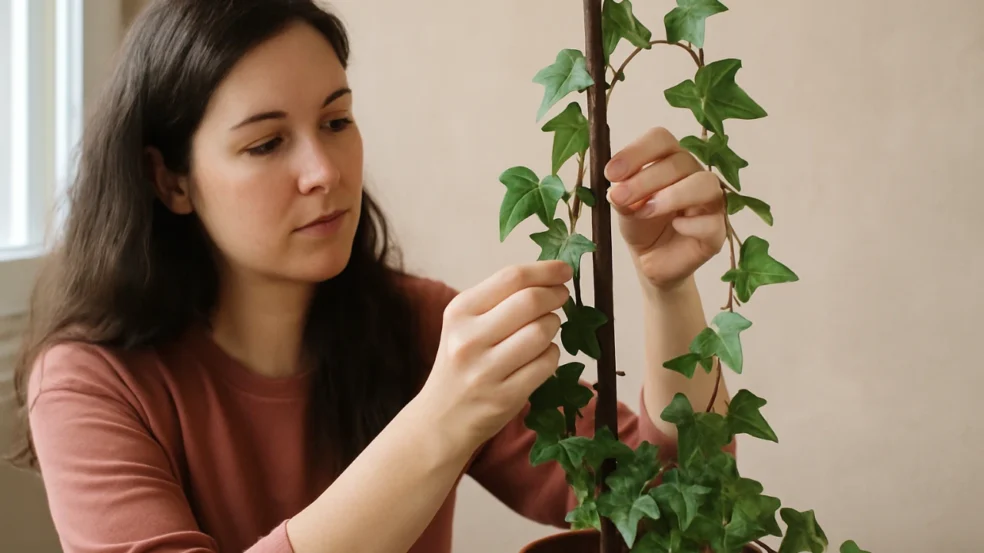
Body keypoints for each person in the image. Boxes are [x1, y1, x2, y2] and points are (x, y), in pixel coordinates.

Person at [8, 1, 732, 552]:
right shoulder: (88, 382)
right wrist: (439, 422)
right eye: (266, 143)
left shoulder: (419, 327)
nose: (324, 172)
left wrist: (667, 288)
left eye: (336, 122)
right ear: (169, 179)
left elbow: (680, 509)